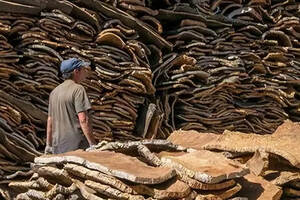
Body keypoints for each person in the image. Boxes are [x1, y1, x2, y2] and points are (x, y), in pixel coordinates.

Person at [45, 58, 97, 154]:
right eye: (83, 69)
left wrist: (48, 145)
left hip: (58, 147)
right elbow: (83, 119)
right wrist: (92, 144)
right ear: (76, 71)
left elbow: (50, 121)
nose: (85, 72)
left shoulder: (54, 92)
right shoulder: (78, 89)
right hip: (77, 146)